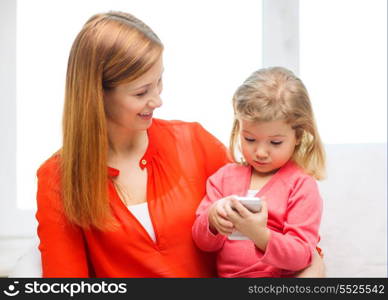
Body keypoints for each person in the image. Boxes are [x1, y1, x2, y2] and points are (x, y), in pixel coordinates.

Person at [36, 11, 324, 277]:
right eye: (141, 92)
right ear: (96, 95)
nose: (158, 100)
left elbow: (297, 248)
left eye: (159, 81)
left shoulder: (194, 143)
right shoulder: (58, 178)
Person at [192, 67, 325, 278]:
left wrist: (259, 235)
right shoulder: (223, 178)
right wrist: (212, 219)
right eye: (250, 139)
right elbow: (202, 243)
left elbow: (302, 255)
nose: (261, 152)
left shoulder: (301, 184)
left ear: (298, 135)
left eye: (275, 142)